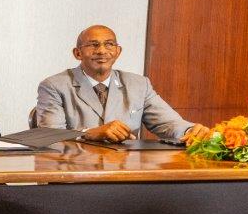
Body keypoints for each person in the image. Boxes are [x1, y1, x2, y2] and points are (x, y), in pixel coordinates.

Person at [35, 24, 211, 143]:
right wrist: (87, 133)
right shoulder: (53, 86)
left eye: (109, 44)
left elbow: (167, 122)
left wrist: (189, 131)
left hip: (125, 169)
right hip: (75, 172)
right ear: (77, 53)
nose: (101, 51)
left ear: (118, 51)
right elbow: (49, 136)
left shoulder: (139, 84)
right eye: (93, 45)